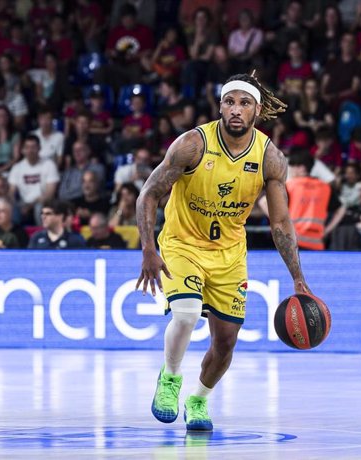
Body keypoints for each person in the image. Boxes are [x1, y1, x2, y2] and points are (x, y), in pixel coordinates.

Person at [135, 72, 310, 431]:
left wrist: (298, 278)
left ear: (256, 111)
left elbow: (280, 224)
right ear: (220, 106)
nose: (235, 109)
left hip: (229, 253)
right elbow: (148, 194)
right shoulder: (192, 145)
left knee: (226, 342)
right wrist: (149, 249)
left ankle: (198, 400)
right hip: (182, 243)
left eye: (244, 103)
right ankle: (170, 379)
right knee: (185, 314)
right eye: (229, 101)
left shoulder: (270, 158)